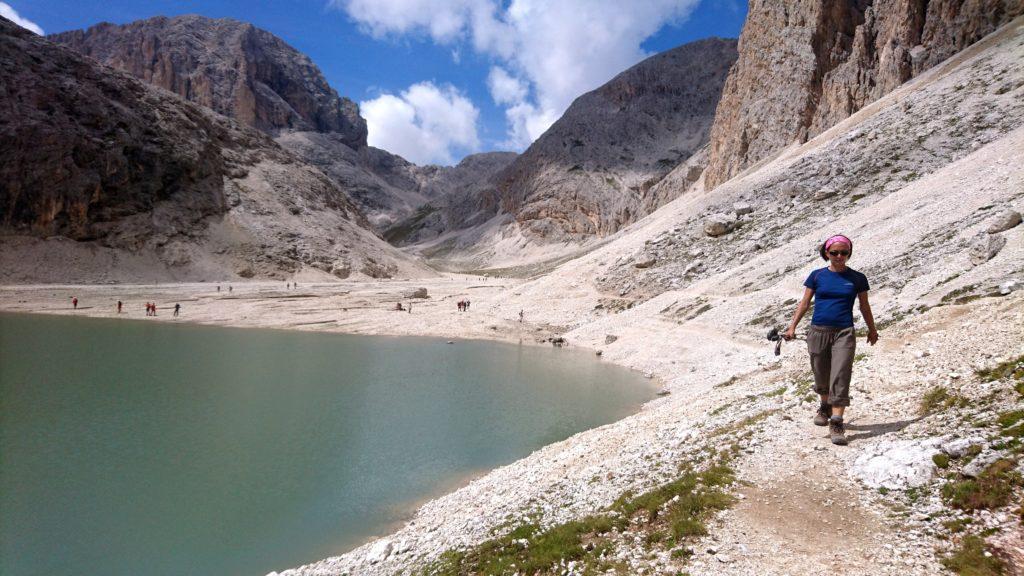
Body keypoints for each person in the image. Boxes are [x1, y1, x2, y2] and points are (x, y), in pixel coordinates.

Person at [784, 234, 878, 445]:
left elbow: (864, 306)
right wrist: (792, 328)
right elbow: (805, 303)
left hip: (844, 331)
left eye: (843, 253)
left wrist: (872, 330)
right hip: (817, 331)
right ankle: (824, 405)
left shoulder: (857, 278)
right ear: (826, 253)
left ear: (849, 253)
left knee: (841, 373)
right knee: (821, 372)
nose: (839, 256)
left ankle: (837, 421)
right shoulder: (816, 276)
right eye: (834, 252)